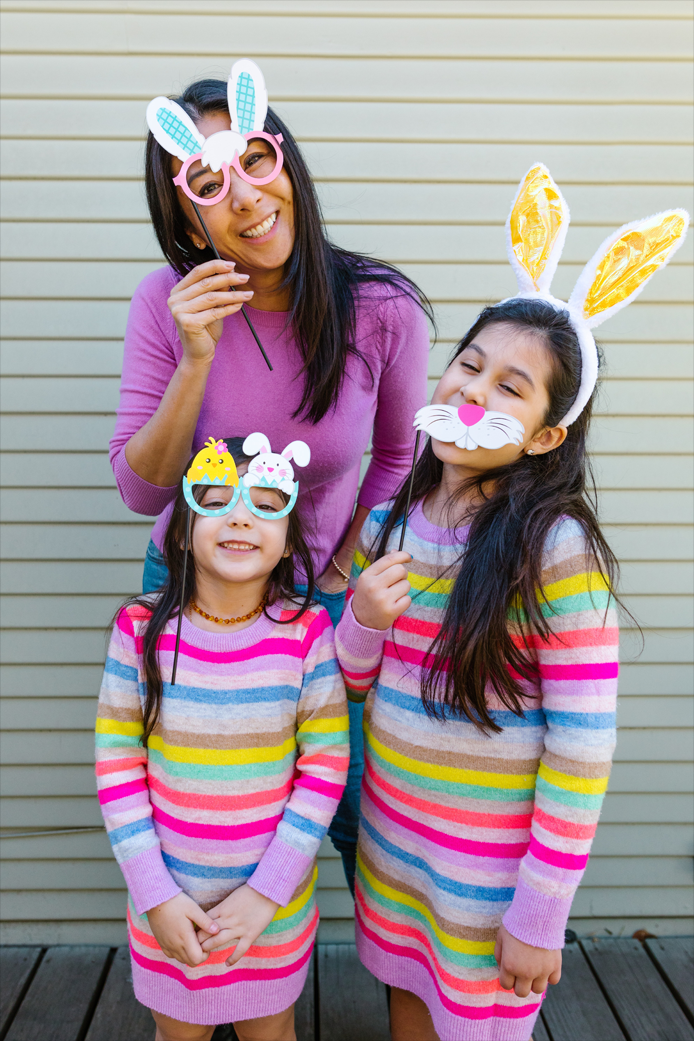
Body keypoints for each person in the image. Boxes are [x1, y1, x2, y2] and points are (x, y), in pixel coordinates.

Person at [110, 66, 431, 891]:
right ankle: (209, 995)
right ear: (185, 213)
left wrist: (334, 574)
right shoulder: (166, 303)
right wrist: (195, 358)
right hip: (192, 592)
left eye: (254, 160)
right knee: (201, 814)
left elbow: (399, 459)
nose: (245, 198)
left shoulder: (381, 306)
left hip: (326, 603)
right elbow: (143, 490)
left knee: (362, 814)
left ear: (283, 159)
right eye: (208, 184)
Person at [334, 298, 619, 1041]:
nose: (474, 389)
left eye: (510, 386)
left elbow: (582, 747)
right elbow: (349, 685)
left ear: (545, 435)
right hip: (395, 847)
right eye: (469, 364)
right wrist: (362, 619)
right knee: (406, 1000)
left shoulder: (554, 547)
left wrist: (541, 910)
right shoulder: (387, 524)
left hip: (489, 880)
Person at [95, 437, 349, 1041]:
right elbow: (117, 765)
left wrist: (267, 892)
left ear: (289, 537)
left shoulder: (308, 632)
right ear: (181, 530)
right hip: (167, 905)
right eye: (215, 501)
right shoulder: (139, 629)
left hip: (271, 910)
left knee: (271, 1030)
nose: (240, 515)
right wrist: (154, 894)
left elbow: (326, 768)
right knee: (178, 1032)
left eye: (266, 504)